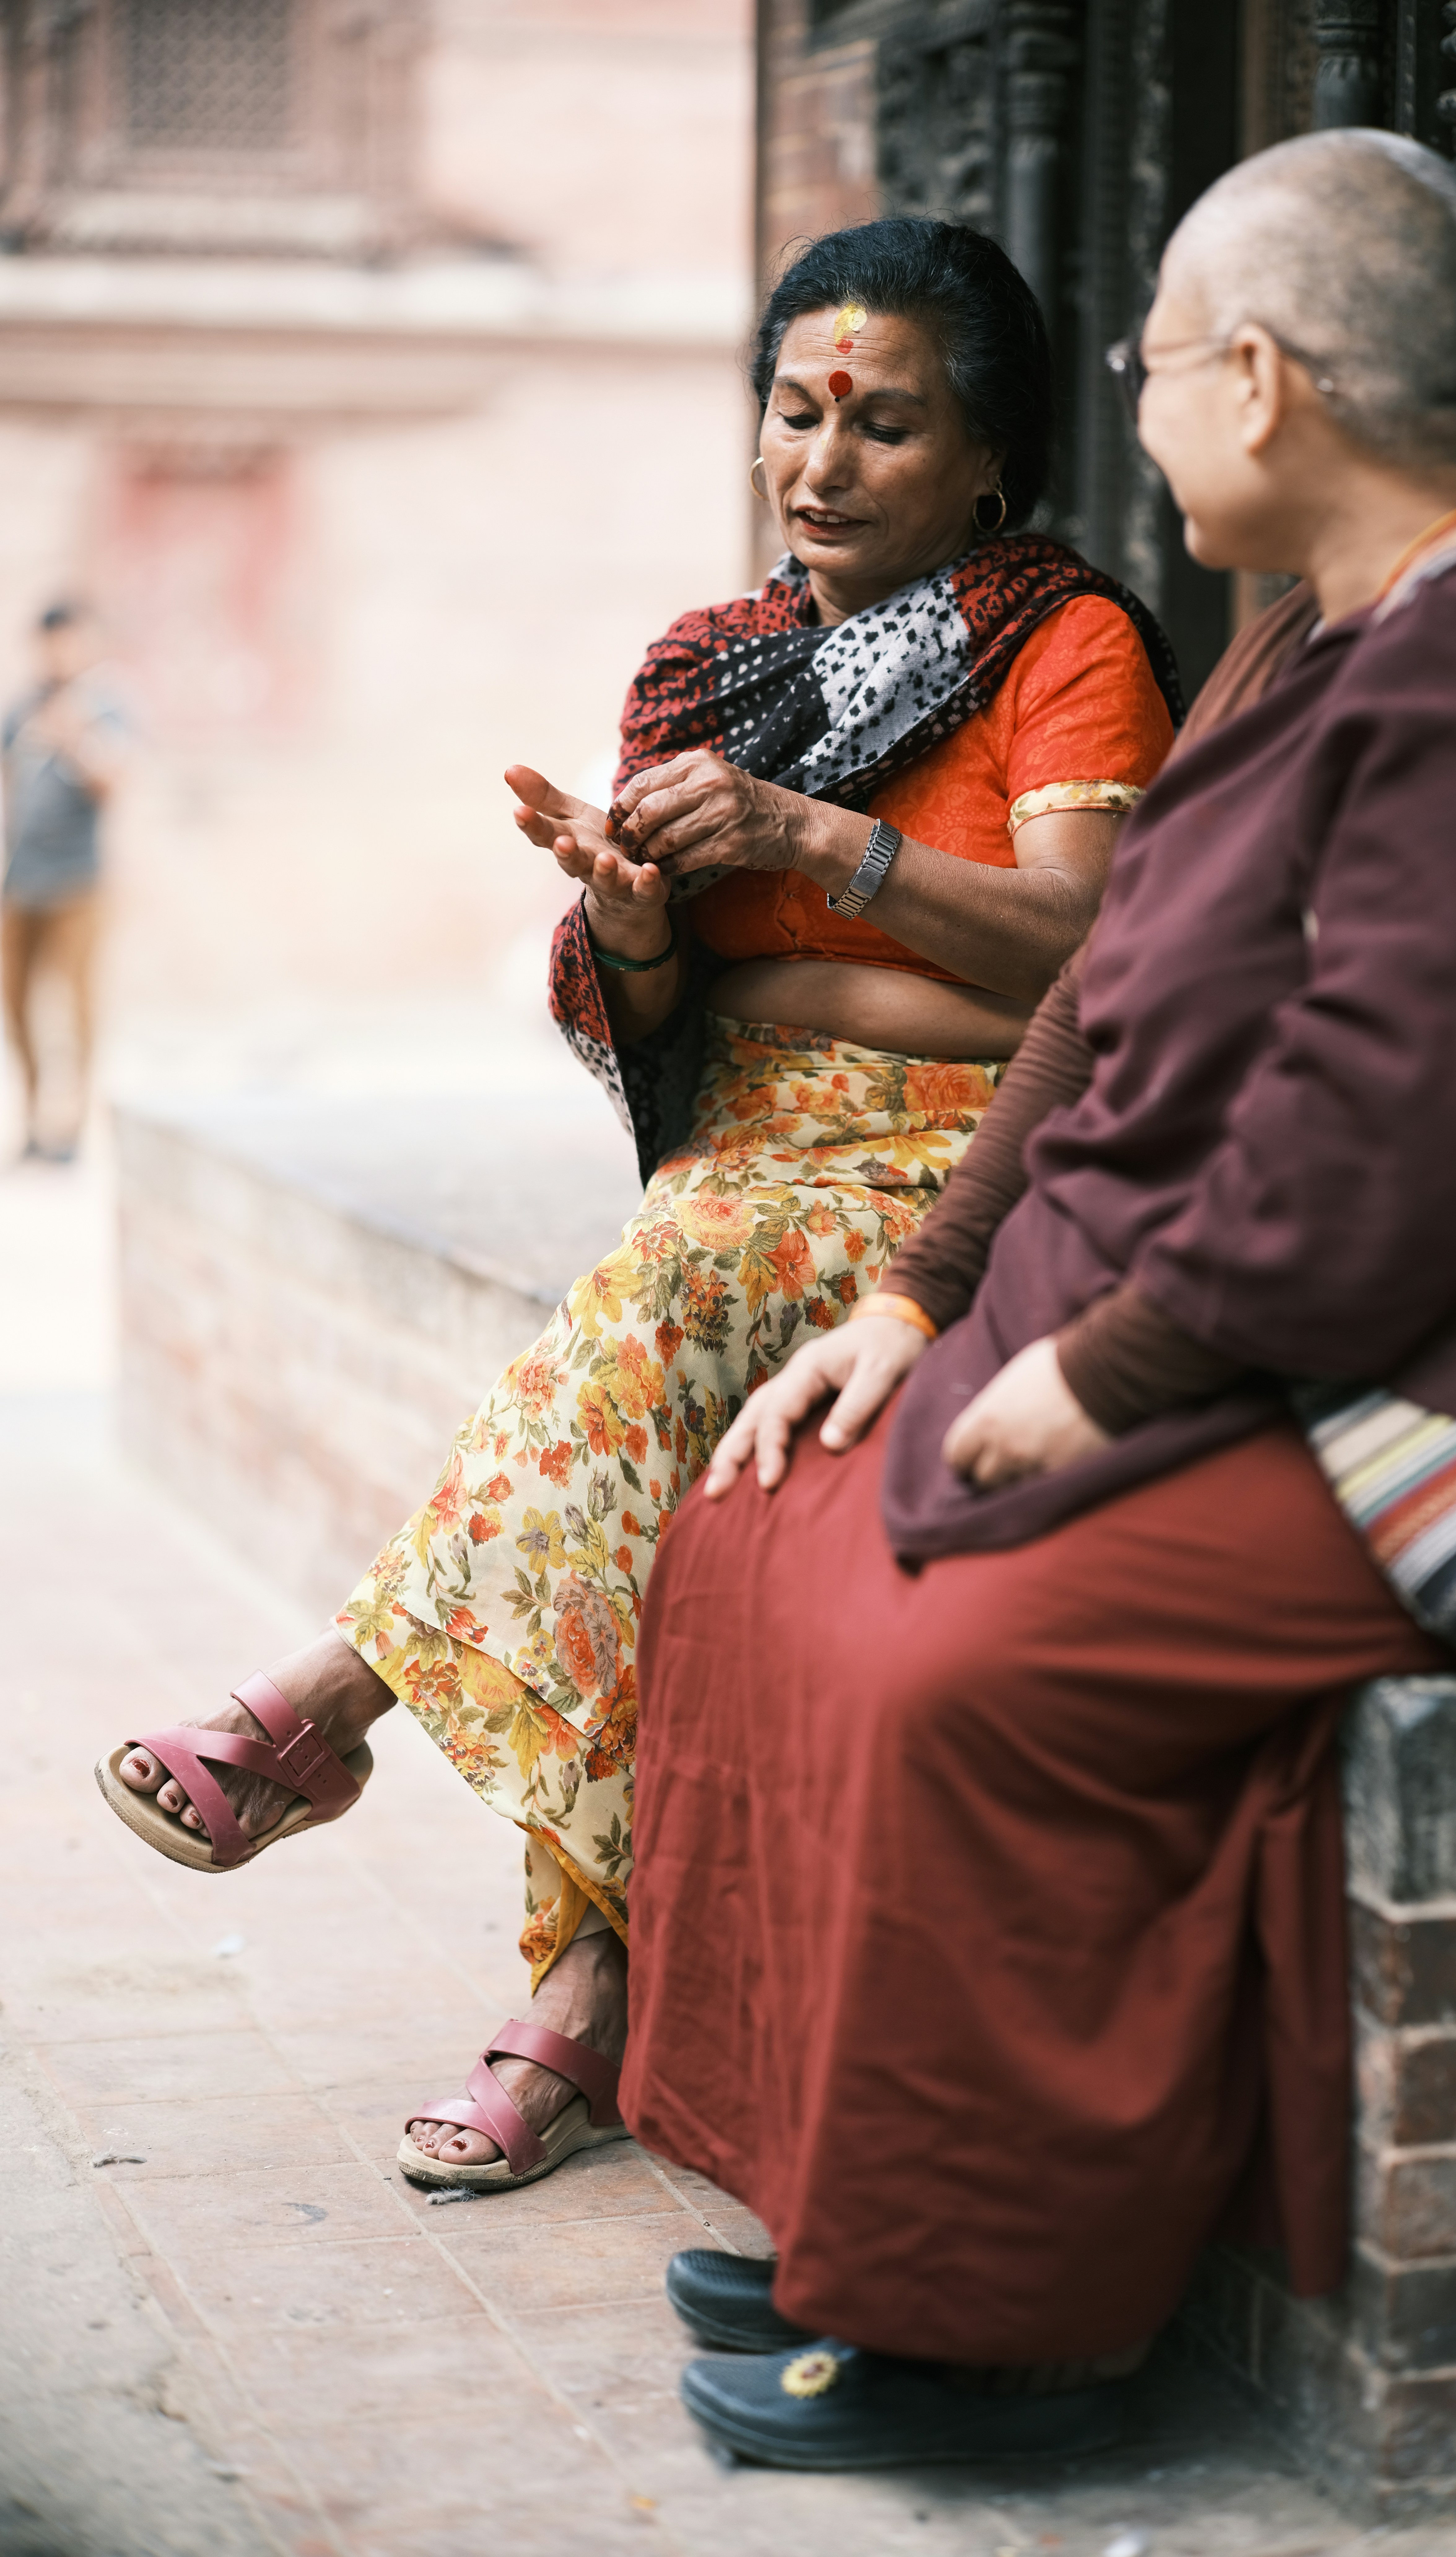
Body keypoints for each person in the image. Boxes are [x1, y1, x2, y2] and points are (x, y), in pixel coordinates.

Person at [607, 128, 1456, 2467]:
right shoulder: (1305, 635)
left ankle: (990, 2322)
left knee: (954, 1650)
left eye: (1148, 367)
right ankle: (857, 2202)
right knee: (760, 1528)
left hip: (1424, 1385)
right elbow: (1108, 989)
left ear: (1252, 381)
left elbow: (1398, 1134)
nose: (1131, 415)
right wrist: (919, 1298)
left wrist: (1096, 1372)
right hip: (1208, 1310)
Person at [95, 220, 1179, 2185]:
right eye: (797, 410)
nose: (822, 463)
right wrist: (640, 924)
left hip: (971, 1163)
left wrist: (807, 861)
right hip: (749, 1158)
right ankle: (578, 1995)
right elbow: (678, 1033)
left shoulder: (1068, 645)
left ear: (991, 461)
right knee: (647, 1412)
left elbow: (1088, 963)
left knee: (657, 1297)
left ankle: (347, 1698)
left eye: (885, 424)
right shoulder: (715, 667)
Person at [2, 602, 129, 1161]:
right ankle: (33, 1116)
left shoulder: (102, 710)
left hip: (79, 881)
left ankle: (71, 1125)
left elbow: (113, 783)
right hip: (20, 880)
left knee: (76, 1007)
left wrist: (74, 736)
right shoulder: (22, 711)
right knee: (18, 1003)